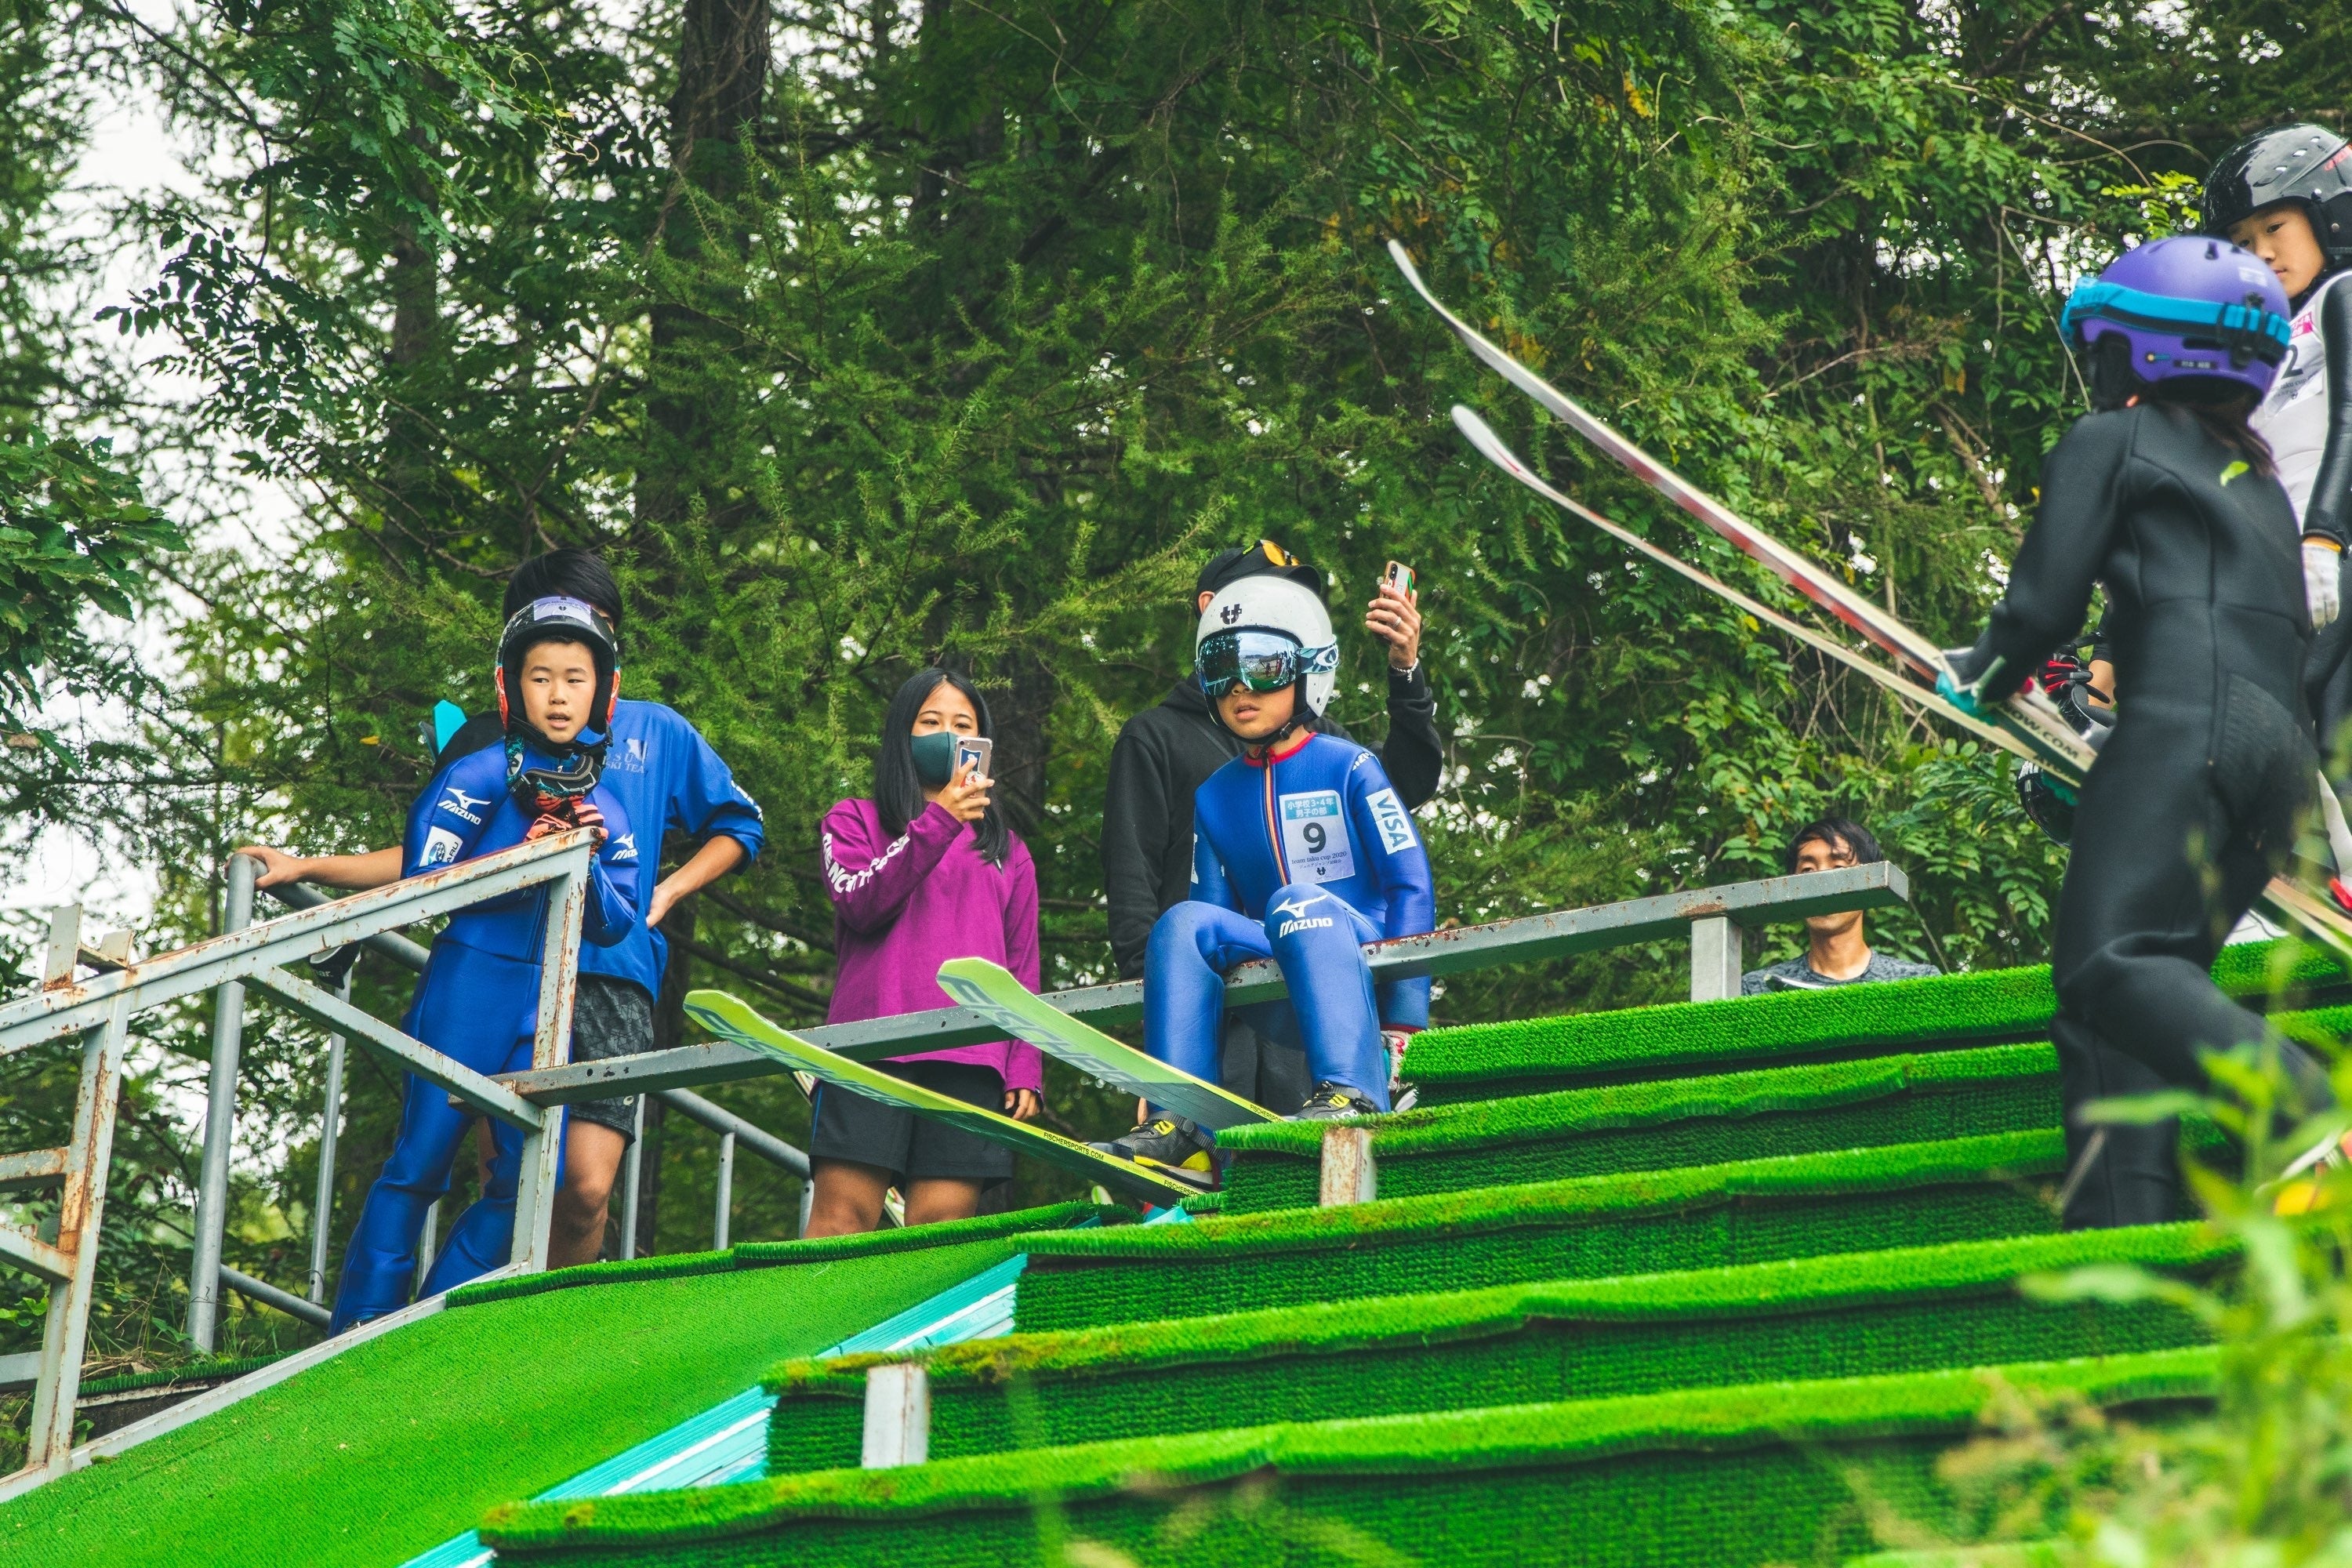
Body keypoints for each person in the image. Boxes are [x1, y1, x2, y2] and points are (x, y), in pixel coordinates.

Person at [1937, 233, 2334, 1229]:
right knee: (2117, 1006)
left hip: (2185, 730)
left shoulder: (2111, 441)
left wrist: (1980, 673)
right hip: (2276, 769)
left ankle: (2309, 1112)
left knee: (2109, 964)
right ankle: (2123, 1238)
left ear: (2145, 349)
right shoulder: (2257, 486)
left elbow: (2041, 608)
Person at [240, 550, 764, 1269]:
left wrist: (664, 892)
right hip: (509, 970)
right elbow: (433, 861)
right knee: (511, 1179)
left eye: (590, 619)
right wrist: (312, 867)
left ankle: (553, 1324)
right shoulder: (497, 741)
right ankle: (462, 1322)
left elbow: (740, 824)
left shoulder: (659, 730)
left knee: (583, 1187)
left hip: (613, 974)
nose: (568, 631)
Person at [327, 597, 641, 1331]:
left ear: (603, 691)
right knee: (421, 1163)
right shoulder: (478, 772)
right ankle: (357, 1328)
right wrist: (519, 861)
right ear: (511, 686)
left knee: (536, 1179)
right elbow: (423, 879)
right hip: (469, 983)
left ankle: (431, 1323)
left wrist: (586, 858)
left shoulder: (609, 805)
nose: (558, 695)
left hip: (550, 1000)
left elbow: (614, 923)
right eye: (541, 677)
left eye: (575, 679)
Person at [1097, 572, 1436, 1189]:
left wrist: (1404, 1027)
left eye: (1261, 665)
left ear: (1309, 670)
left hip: (1363, 965)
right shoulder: (1215, 796)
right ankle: (1184, 1122)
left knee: (1295, 903)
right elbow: (1213, 925)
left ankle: (1353, 1091)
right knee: (1181, 922)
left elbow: (1411, 884)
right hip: (1278, 981)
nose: (1238, 688)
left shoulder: (1352, 765)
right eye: (1219, 670)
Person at [806, 668, 1044, 1236]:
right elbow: (860, 902)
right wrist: (939, 821)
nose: (948, 735)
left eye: (963, 724)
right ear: (902, 736)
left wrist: (1025, 1064)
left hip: (972, 1055)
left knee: (938, 1235)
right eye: (930, 722)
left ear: (982, 742)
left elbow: (1022, 965)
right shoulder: (854, 818)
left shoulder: (1009, 850)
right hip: (869, 1046)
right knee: (842, 1222)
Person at [2202, 125, 2352, 761]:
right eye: (2241, 242)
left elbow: (2350, 416)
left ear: (2330, 215)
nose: (2259, 252)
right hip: (2275, 566)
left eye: (2274, 227)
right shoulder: (2260, 350)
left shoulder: (2343, 294)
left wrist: (2324, 539)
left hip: (2330, 555)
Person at [1738, 818, 1939, 994]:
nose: (1822, 884)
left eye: (1839, 868)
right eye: (1808, 870)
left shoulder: (1919, 983)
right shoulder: (1756, 989)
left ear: (1870, 882)